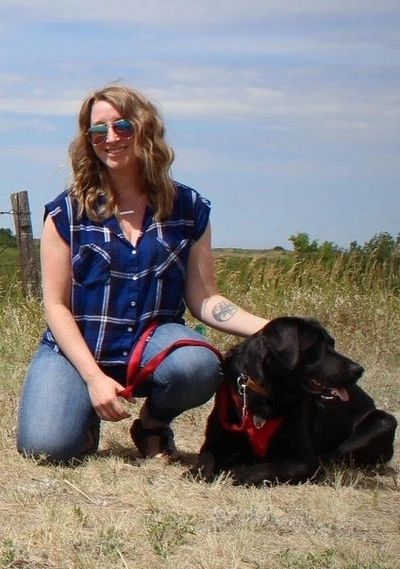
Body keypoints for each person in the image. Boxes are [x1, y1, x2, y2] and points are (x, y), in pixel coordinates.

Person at [17, 84, 268, 464]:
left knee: (198, 365)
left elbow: (204, 299)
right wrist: (93, 377)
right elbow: (56, 306)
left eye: (122, 126)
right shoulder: (66, 213)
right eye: (98, 131)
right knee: (45, 447)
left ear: (145, 129)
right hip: (78, 347)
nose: (111, 138)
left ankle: (152, 424)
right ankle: (83, 411)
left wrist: (269, 328)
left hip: (149, 343)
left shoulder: (188, 207)